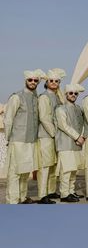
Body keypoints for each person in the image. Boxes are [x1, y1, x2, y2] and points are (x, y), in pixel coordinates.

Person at [4, 69, 45, 204]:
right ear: (25, 81)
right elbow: (8, 119)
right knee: (15, 172)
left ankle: (22, 197)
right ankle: (13, 200)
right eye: (30, 80)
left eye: (35, 80)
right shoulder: (17, 97)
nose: (33, 82)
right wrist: (9, 138)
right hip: (18, 140)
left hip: (31, 141)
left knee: (25, 171)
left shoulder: (36, 98)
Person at [37, 68, 66, 204]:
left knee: (54, 165)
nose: (54, 83)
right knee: (45, 166)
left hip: (55, 136)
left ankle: (51, 190)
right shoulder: (43, 97)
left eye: (57, 81)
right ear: (46, 82)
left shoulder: (56, 97)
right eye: (51, 81)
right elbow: (44, 118)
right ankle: (42, 195)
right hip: (46, 136)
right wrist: (54, 134)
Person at [55, 84, 85, 203]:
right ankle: (64, 194)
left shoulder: (78, 108)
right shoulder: (60, 109)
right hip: (65, 144)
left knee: (73, 170)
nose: (73, 95)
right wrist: (77, 136)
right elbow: (63, 125)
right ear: (66, 94)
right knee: (66, 170)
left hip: (76, 144)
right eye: (71, 93)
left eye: (75, 93)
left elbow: (81, 124)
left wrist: (81, 137)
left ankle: (71, 192)